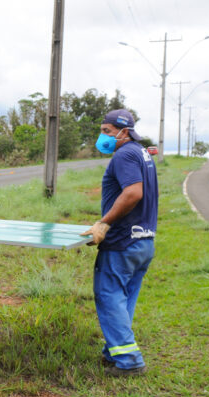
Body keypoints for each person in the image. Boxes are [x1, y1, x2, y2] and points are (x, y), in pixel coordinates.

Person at [82, 109, 158, 377]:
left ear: (123, 132)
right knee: (124, 299)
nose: (102, 137)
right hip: (144, 241)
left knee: (109, 295)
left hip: (123, 241)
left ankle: (129, 360)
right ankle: (114, 351)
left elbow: (134, 192)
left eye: (106, 131)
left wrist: (104, 223)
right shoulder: (141, 152)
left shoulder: (124, 154)